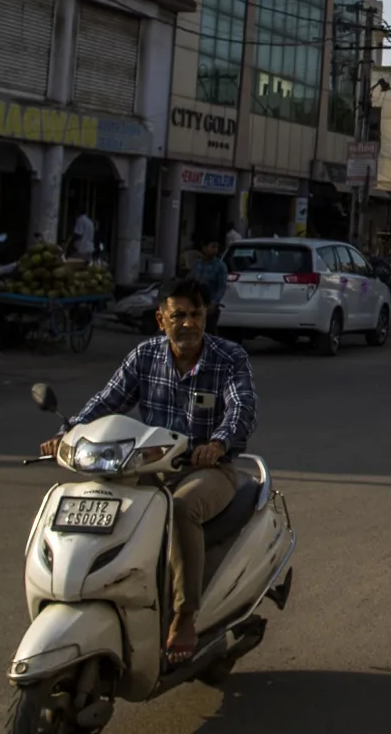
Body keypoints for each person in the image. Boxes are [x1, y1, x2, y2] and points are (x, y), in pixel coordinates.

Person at [39, 277, 256, 665]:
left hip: (209, 469)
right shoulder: (145, 356)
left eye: (196, 314)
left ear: (206, 316)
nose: (188, 323)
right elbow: (107, 402)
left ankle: (185, 616)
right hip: (146, 466)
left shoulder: (230, 358)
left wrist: (218, 444)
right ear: (161, 320)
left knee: (181, 507)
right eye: (178, 316)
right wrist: (66, 433)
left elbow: (241, 409)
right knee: (99, 503)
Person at [191, 240, 228, 331]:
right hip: (196, 302)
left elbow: (222, 286)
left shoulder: (220, 266)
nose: (215, 250)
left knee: (209, 330)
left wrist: (214, 303)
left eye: (216, 247)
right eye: (212, 247)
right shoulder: (197, 264)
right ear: (204, 248)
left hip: (210, 304)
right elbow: (192, 280)